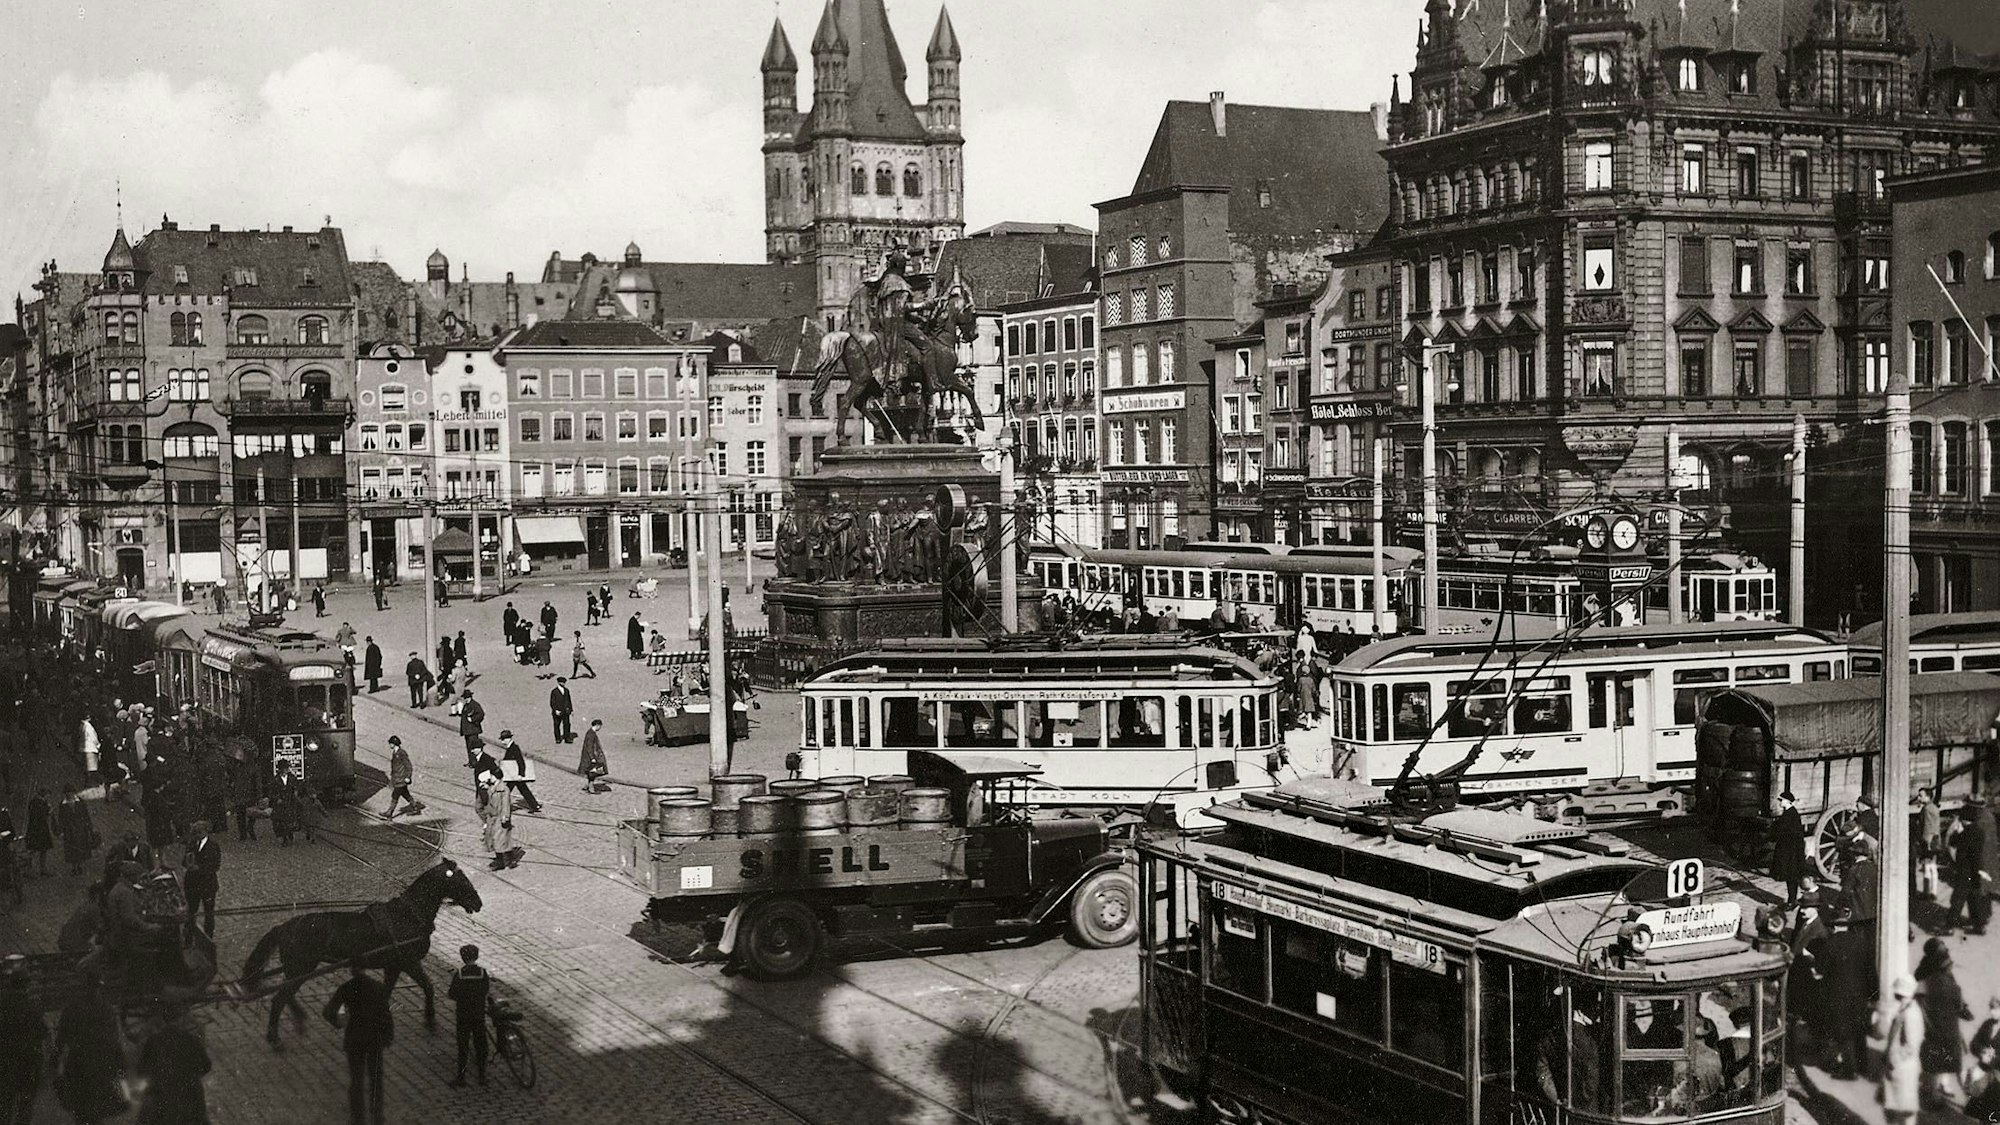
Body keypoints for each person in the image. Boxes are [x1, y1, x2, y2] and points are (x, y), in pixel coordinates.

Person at [323, 961, 394, 1125]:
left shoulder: (346, 988)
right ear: (365, 968)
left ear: (352, 970)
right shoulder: (377, 986)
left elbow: (328, 1012)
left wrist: (339, 1023)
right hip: (374, 1038)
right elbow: (386, 1014)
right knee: (376, 1077)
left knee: (356, 1079)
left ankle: (358, 1117)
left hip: (355, 1038)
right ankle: (377, 1115)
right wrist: (388, 1035)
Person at [54, 974, 126, 1125]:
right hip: (100, 1066)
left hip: (79, 1065)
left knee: (82, 1111)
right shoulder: (106, 1009)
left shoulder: (71, 1009)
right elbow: (114, 1041)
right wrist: (120, 1064)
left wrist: (55, 1063)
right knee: (96, 1111)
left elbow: (60, 1041)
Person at [1916, 937, 1970, 1105]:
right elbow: (1956, 997)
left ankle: (1938, 1086)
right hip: (1942, 1018)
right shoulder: (1941, 972)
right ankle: (1940, 1087)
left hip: (1934, 1018)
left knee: (1937, 1054)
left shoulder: (1925, 970)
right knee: (1947, 1054)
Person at [136, 1001, 210, 1125]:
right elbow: (206, 1065)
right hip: (189, 1095)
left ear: (163, 1020)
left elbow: (142, 1071)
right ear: (181, 1019)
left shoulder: (153, 1041)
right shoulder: (191, 1040)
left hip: (161, 1097)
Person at [0, 956, 46, 1125]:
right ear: (26, 985)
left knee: (4, 1104)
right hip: (27, 1063)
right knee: (25, 1106)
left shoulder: (2, 1003)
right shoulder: (32, 1007)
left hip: (4, 1062)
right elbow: (42, 1033)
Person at [1883, 974, 1925, 1124]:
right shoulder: (1906, 1008)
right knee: (1896, 1110)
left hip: (1903, 1068)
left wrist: (1895, 1059)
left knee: (1905, 1112)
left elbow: (1911, 1045)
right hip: (1900, 1067)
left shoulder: (1910, 1012)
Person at [446, 944, 491, 1087]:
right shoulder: (483, 973)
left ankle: (461, 1077)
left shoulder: (459, 974)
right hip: (478, 1014)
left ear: (462, 957)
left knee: (463, 1045)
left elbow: (452, 994)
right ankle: (482, 1076)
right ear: (476, 956)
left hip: (463, 1014)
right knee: (480, 1043)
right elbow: (485, 990)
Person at [1950, 796, 1994, 936]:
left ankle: (1950, 924)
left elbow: (1953, 842)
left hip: (1965, 870)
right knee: (1975, 898)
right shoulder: (1983, 825)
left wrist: (1957, 832)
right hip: (1977, 869)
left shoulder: (1964, 832)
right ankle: (1979, 924)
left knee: (1958, 898)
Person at [181, 820, 220, 942]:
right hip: (192, 884)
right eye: (195, 832)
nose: (197, 835)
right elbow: (184, 861)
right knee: (191, 911)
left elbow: (216, 866)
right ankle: (188, 937)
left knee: (208, 912)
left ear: (205, 831)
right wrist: (187, 863)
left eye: (199, 832)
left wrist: (200, 868)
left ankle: (208, 938)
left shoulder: (213, 846)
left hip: (207, 884)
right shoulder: (192, 844)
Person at [1770, 791, 1808, 907]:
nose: (1780, 802)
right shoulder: (1788, 812)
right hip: (1788, 849)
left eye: (1781, 800)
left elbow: (1785, 831)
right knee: (1790, 876)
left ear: (1787, 801)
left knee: (1791, 876)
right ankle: (1792, 900)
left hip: (1791, 851)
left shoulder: (1791, 814)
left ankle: (1792, 901)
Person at [1967, 996, 2000, 1119]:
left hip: (1997, 1077)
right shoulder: (1987, 1024)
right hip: (1983, 1074)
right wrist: (1982, 1052)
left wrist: (1993, 1058)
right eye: (1991, 1008)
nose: (1992, 1012)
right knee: (1980, 1115)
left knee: (1990, 1114)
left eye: (1996, 1009)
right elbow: (1974, 1043)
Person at [477, 776, 518, 870]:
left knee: (500, 839)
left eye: (492, 776)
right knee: (494, 839)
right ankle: (504, 860)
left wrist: (505, 817)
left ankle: (506, 861)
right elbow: (481, 805)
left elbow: (506, 804)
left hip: (500, 818)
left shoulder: (503, 789)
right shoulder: (488, 788)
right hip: (491, 818)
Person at [496, 732, 543, 814]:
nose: (502, 742)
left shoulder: (514, 748)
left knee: (507, 790)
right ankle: (535, 805)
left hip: (515, 775)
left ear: (508, 739)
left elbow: (520, 761)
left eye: (503, 740)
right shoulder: (511, 747)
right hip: (513, 775)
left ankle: (500, 806)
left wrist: (521, 774)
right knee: (523, 790)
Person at [57, 786, 95, 877]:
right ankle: (74, 867)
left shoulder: (80, 802)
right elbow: (61, 819)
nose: (69, 795)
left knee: (80, 847)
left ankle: (79, 865)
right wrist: (61, 830)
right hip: (69, 831)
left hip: (81, 829)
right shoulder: (62, 805)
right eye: (67, 793)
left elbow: (86, 816)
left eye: (71, 792)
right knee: (72, 849)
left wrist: (89, 828)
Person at [384, 736, 422, 819]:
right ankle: (415, 806)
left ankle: (389, 813)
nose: (389, 745)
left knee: (395, 795)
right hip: (397, 778)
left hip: (401, 779)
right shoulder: (395, 752)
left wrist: (408, 776)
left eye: (390, 743)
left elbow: (409, 766)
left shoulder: (401, 753)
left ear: (394, 744)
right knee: (405, 794)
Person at [272, 760, 306, 846]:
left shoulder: (292, 777)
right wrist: (277, 799)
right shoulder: (275, 779)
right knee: (282, 821)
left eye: (287, 767)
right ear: (281, 769)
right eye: (285, 768)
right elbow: (272, 792)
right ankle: (285, 838)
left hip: (290, 802)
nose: (287, 769)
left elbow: (296, 787)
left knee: (290, 820)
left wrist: (296, 793)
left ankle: (290, 833)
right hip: (281, 804)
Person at [1918, 787, 1944, 902]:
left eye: (1921, 795)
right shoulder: (1934, 807)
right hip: (1935, 840)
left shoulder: (1926, 809)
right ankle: (1933, 892)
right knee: (1933, 866)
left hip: (1928, 841)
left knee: (1927, 867)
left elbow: (1927, 826)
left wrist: (1924, 841)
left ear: (1928, 796)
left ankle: (1926, 892)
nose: (1919, 798)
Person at [25, 788, 52, 878]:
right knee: (35, 850)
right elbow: (42, 814)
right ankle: (32, 870)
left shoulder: (34, 802)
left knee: (41, 849)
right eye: (48, 795)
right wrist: (48, 810)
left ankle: (40, 869)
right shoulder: (39, 803)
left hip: (37, 829)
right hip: (38, 829)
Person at [578, 719, 608, 793]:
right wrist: (592, 758)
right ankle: (591, 788)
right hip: (590, 757)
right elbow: (590, 746)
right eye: (600, 726)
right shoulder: (591, 734)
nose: (600, 728)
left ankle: (587, 786)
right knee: (593, 772)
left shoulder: (590, 732)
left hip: (587, 756)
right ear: (597, 725)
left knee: (590, 771)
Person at [457, 690, 486, 766]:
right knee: (469, 747)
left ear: (470, 697)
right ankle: (471, 762)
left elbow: (481, 714)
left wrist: (473, 719)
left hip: (473, 730)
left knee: (474, 746)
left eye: (466, 698)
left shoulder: (475, 705)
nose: (465, 699)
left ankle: (475, 763)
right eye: (465, 698)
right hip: (467, 730)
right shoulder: (466, 705)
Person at [549, 677, 575, 744]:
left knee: (567, 724)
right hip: (558, 711)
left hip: (565, 711)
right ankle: (557, 738)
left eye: (564, 682)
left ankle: (567, 738)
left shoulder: (566, 690)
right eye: (562, 682)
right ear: (558, 682)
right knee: (557, 725)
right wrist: (555, 710)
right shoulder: (554, 691)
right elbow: (552, 702)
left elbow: (569, 701)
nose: (563, 683)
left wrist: (571, 710)